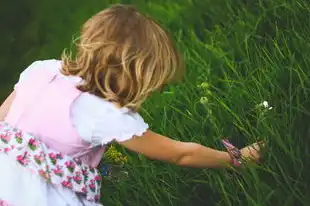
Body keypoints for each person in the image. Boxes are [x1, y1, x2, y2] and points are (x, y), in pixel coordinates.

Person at [0, 4, 263, 206]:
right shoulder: (104, 114)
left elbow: (3, 117)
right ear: (137, 75)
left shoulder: (43, 70)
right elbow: (180, 153)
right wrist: (235, 159)